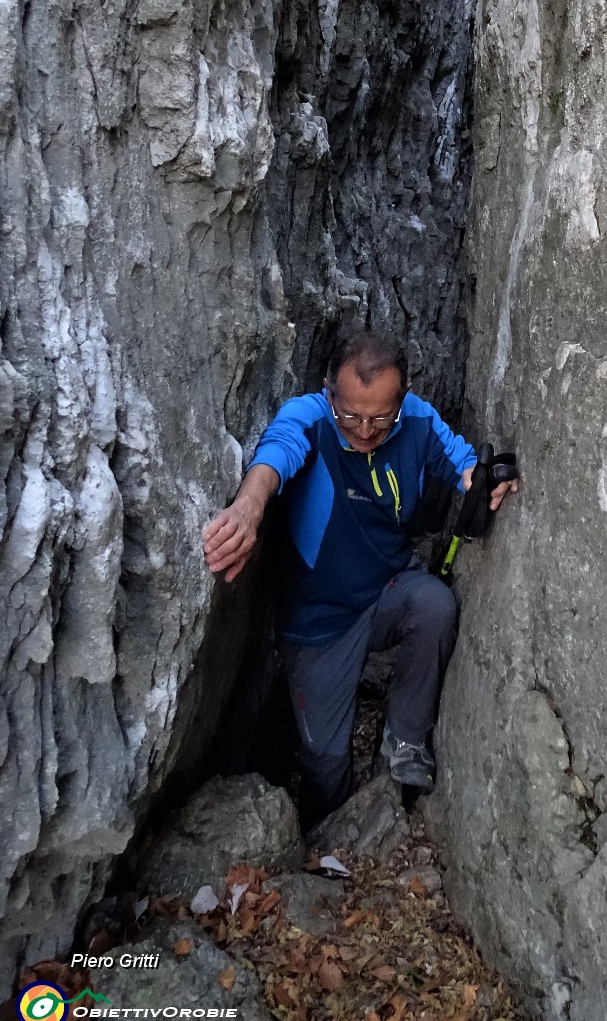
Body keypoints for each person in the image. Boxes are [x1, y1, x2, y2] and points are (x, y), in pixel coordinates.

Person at [202, 331, 515, 826]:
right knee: (326, 761)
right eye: (351, 413)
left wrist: (487, 482)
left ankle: (405, 739)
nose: (365, 429)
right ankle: (322, 839)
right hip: (318, 623)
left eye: (380, 415)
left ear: (403, 394)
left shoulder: (415, 420)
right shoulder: (310, 416)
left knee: (434, 605)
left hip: (386, 588)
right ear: (330, 391)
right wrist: (247, 508)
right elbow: (275, 456)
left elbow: (463, 462)